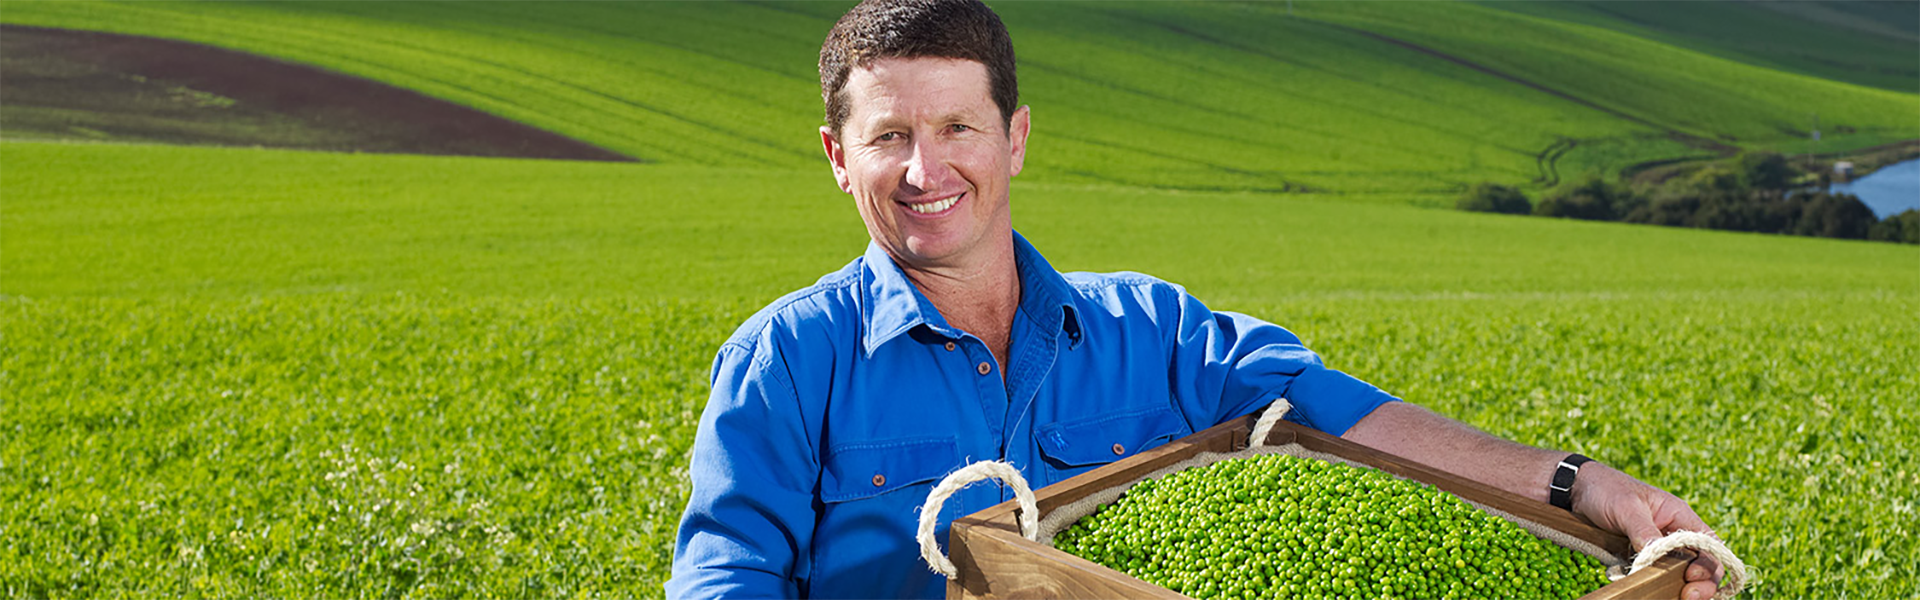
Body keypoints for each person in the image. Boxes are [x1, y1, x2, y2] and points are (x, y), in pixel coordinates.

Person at [668, 1, 1727, 598]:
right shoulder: (785, 362)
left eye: (957, 129)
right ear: (837, 159)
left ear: (1015, 139)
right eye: (889, 135)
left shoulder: (1154, 332)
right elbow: (728, 582)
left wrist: (1574, 486)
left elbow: (1339, 415)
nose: (925, 168)